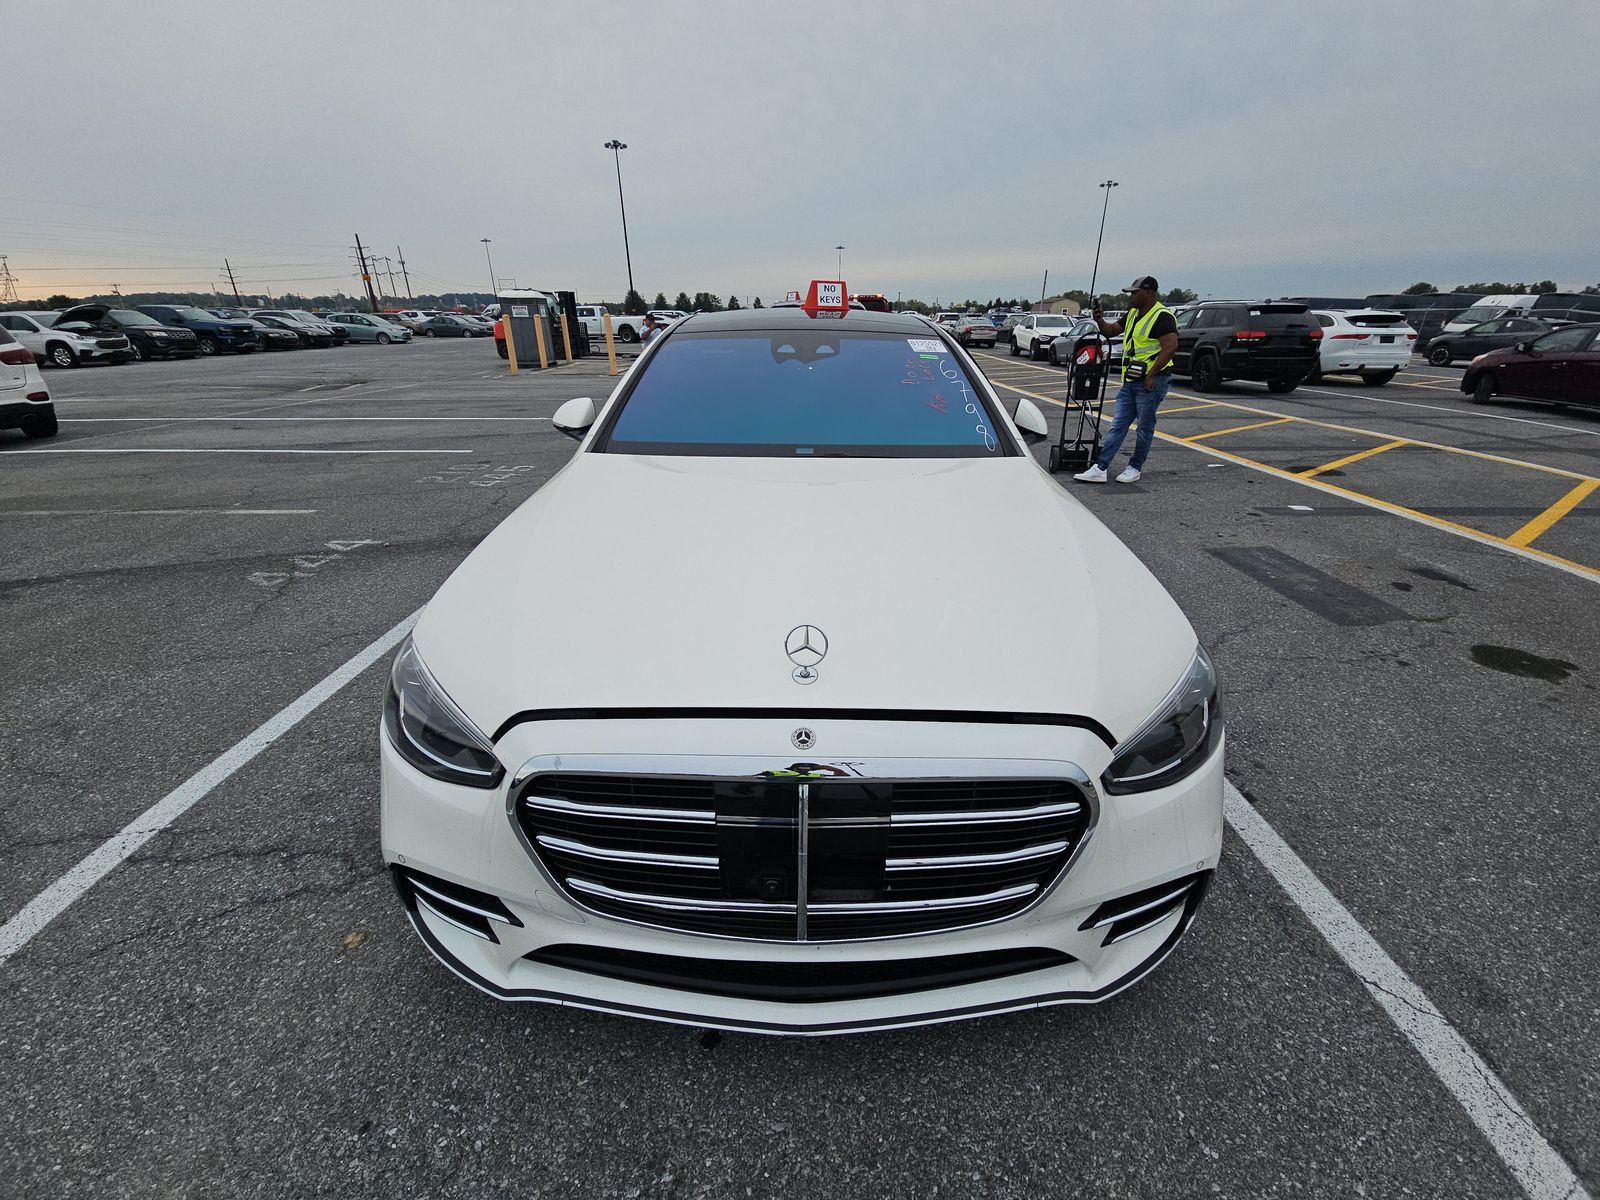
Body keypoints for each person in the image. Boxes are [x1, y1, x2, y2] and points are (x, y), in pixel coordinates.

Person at [1074, 276, 1179, 484]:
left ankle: (1134, 467)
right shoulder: (1132, 314)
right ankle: (1100, 467)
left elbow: (1170, 346)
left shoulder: (1162, 316)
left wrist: (1151, 375)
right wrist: (1099, 320)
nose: (1131, 296)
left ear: (1149, 293)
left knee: (1144, 427)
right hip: (1131, 380)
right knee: (1118, 425)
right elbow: (1112, 331)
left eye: (1135, 292)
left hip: (1151, 382)